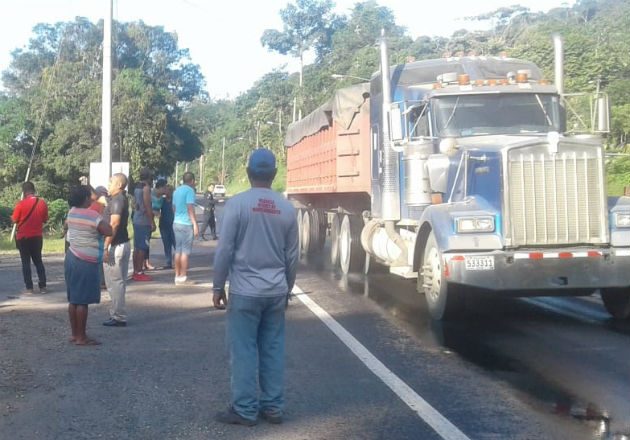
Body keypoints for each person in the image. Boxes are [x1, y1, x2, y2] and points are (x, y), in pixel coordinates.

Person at [213, 149, 299, 426]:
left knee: (244, 350)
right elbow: (292, 256)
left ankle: (245, 409)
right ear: (273, 175)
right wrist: (288, 288)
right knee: (273, 349)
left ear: (249, 173)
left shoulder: (237, 205)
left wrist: (218, 286)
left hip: (244, 291)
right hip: (275, 290)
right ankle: (273, 407)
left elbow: (225, 249)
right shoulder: (287, 208)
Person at [65, 185, 113, 346]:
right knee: (83, 301)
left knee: (73, 299)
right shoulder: (92, 215)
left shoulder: (71, 212)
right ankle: (81, 337)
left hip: (72, 256)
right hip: (86, 260)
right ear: (86, 198)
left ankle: (74, 333)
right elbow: (109, 231)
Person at [102, 173, 131, 327]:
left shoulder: (118, 200)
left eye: (111, 181)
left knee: (115, 283)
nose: (108, 183)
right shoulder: (118, 198)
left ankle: (118, 316)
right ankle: (117, 313)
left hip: (115, 245)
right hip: (122, 243)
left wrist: (106, 246)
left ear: (119, 185)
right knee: (118, 282)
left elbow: (114, 224)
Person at [11, 181, 49, 294]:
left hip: (23, 237)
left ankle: (29, 288)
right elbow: (45, 219)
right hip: (37, 237)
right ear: (34, 190)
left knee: (25, 263)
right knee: (38, 261)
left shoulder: (20, 204)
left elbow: (14, 220)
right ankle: (43, 286)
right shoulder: (42, 203)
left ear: (24, 192)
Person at [172, 172, 199, 285]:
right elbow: (190, 208)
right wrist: (195, 224)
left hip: (176, 222)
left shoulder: (176, 191)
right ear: (192, 181)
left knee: (178, 250)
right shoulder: (190, 191)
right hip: (186, 224)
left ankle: (177, 275)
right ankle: (183, 276)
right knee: (185, 251)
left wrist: (177, 217)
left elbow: (173, 207)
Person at [131, 168, 155, 281]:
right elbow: (147, 205)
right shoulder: (146, 188)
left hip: (136, 219)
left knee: (137, 246)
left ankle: (136, 270)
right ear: (149, 178)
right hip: (143, 220)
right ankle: (139, 271)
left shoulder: (136, 187)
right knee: (142, 247)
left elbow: (134, 203)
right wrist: (152, 222)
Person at [155, 179, 175, 269]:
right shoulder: (161, 200)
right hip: (164, 224)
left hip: (174, 225)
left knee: (176, 243)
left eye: (170, 191)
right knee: (166, 244)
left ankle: (180, 261)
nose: (168, 192)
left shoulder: (174, 201)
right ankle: (168, 262)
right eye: (167, 190)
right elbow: (155, 208)